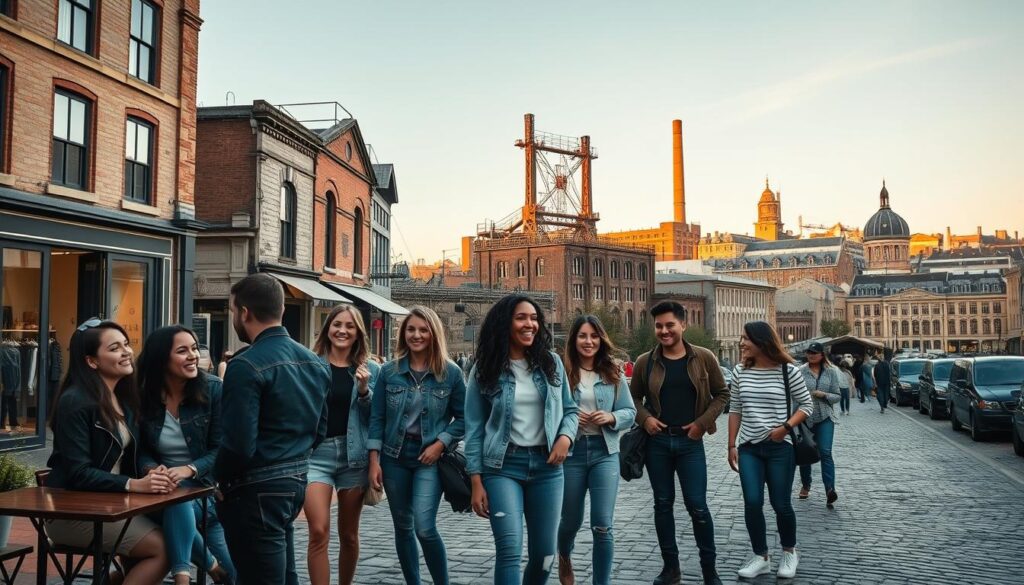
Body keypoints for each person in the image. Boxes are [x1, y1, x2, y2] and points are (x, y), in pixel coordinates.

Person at [213, 274, 331, 585]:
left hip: (255, 488)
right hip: (294, 481)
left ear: (245, 313)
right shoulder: (315, 363)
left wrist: (219, 481)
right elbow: (320, 430)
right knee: (283, 575)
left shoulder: (245, 365)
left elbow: (238, 444)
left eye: (232, 310)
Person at [45, 319, 173, 585]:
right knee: (164, 548)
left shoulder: (123, 399)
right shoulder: (75, 402)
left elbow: (133, 455)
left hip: (111, 506)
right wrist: (133, 484)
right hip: (72, 513)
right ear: (92, 361)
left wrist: (151, 470)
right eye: (115, 348)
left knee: (178, 532)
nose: (126, 352)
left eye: (126, 344)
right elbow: (78, 473)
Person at [465, 294, 578, 585]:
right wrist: (476, 481)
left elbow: (570, 410)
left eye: (534, 318)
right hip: (502, 467)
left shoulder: (551, 363)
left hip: (548, 469)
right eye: (521, 318)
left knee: (544, 555)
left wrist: (565, 437)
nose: (530, 324)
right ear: (505, 323)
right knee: (509, 549)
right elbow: (474, 428)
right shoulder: (484, 369)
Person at [629, 301, 728, 585]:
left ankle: (710, 570)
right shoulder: (644, 362)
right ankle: (671, 568)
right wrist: (645, 419)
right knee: (662, 505)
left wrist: (702, 423)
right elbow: (633, 398)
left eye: (670, 325)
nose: (664, 331)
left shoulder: (704, 357)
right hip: (657, 444)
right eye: (659, 326)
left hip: (690, 444)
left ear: (683, 325)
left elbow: (722, 393)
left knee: (697, 506)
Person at [368, 306, 466, 585]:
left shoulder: (452, 373)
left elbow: (466, 419)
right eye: (411, 329)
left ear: (434, 334)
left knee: (424, 527)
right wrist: (374, 461)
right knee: (403, 526)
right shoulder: (389, 372)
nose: (416, 335)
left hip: (429, 459)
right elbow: (377, 419)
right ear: (403, 333)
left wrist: (442, 443)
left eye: (423, 330)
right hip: (394, 457)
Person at [137, 326, 236, 584]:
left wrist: (188, 469)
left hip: (205, 491)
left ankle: (195, 571)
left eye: (194, 348)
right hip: (159, 490)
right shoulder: (143, 394)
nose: (193, 355)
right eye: (183, 350)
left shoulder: (213, 389)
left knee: (234, 576)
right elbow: (139, 449)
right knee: (175, 500)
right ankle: (193, 573)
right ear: (161, 358)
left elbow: (222, 448)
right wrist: (151, 469)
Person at [727, 321, 812, 580]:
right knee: (752, 503)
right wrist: (731, 444)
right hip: (750, 448)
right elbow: (735, 409)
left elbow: (806, 405)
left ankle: (789, 551)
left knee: (781, 504)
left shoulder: (788, 371)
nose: (741, 343)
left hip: (779, 448)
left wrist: (785, 427)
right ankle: (761, 556)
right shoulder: (739, 371)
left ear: (761, 341)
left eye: (746, 339)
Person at [302, 305, 379, 585]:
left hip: (353, 457)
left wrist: (364, 392)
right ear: (327, 328)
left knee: (348, 535)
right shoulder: (310, 365)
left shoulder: (371, 371)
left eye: (349, 326)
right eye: (337, 324)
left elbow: (377, 421)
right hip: (316, 456)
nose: (342, 331)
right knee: (319, 530)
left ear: (358, 332)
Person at [556, 315, 636, 585]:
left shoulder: (613, 371)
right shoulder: (561, 372)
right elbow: (547, 411)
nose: (588, 342)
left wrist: (611, 417)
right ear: (574, 339)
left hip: (605, 452)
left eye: (593, 336)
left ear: (601, 339)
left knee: (602, 525)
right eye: (582, 336)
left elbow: (630, 412)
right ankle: (564, 556)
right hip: (572, 454)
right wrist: (567, 417)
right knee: (570, 521)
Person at [796, 342, 841, 507]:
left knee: (826, 452)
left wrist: (824, 395)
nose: (811, 355)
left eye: (814, 353)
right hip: (804, 418)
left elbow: (837, 395)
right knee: (805, 452)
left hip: (825, 417)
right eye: (809, 352)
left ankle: (830, 490)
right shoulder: (800, 371)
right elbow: (794, 396)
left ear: (822, 355)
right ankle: (806, 484)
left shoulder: (831, 372)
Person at [873, 349, 894, 413]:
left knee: (880, 395)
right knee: (886, 395)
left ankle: (882, 407)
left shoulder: (877, 365)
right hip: (886, 382)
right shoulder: (887, 364)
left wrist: (875, 382)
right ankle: (884, 405)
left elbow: (875, 374)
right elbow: (890, 373)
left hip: (880, 383)